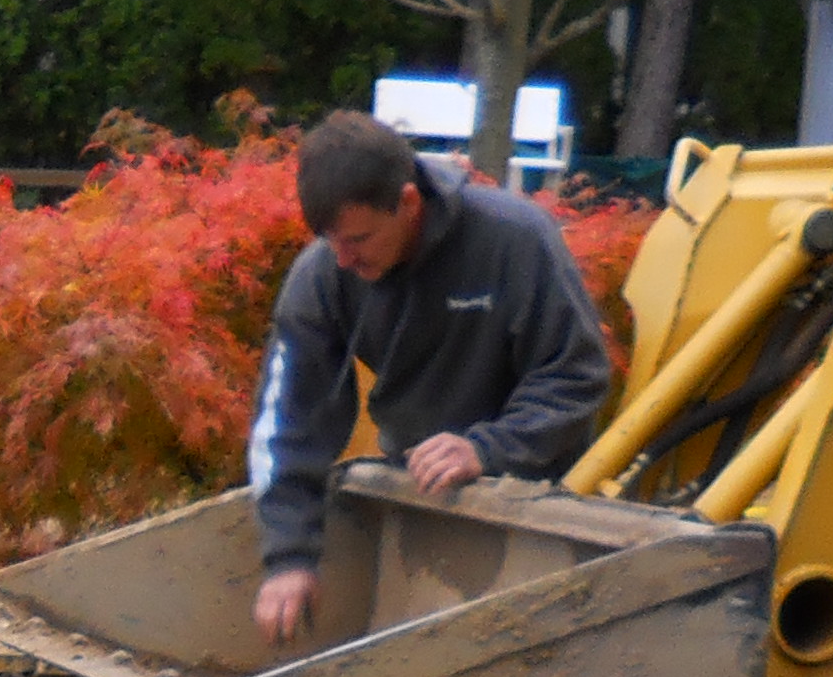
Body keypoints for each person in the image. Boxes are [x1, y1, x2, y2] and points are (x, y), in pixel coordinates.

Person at [247, 110, 615, 647]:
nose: (344, 260)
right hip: (420, 495)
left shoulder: (514, 239)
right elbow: (289, 421)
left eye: (360, 239)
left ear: (410, 203)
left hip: (542, 505)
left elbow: (576, 375)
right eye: (331, 242)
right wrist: (289, 556)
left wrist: (488, 448)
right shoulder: (324, 272)